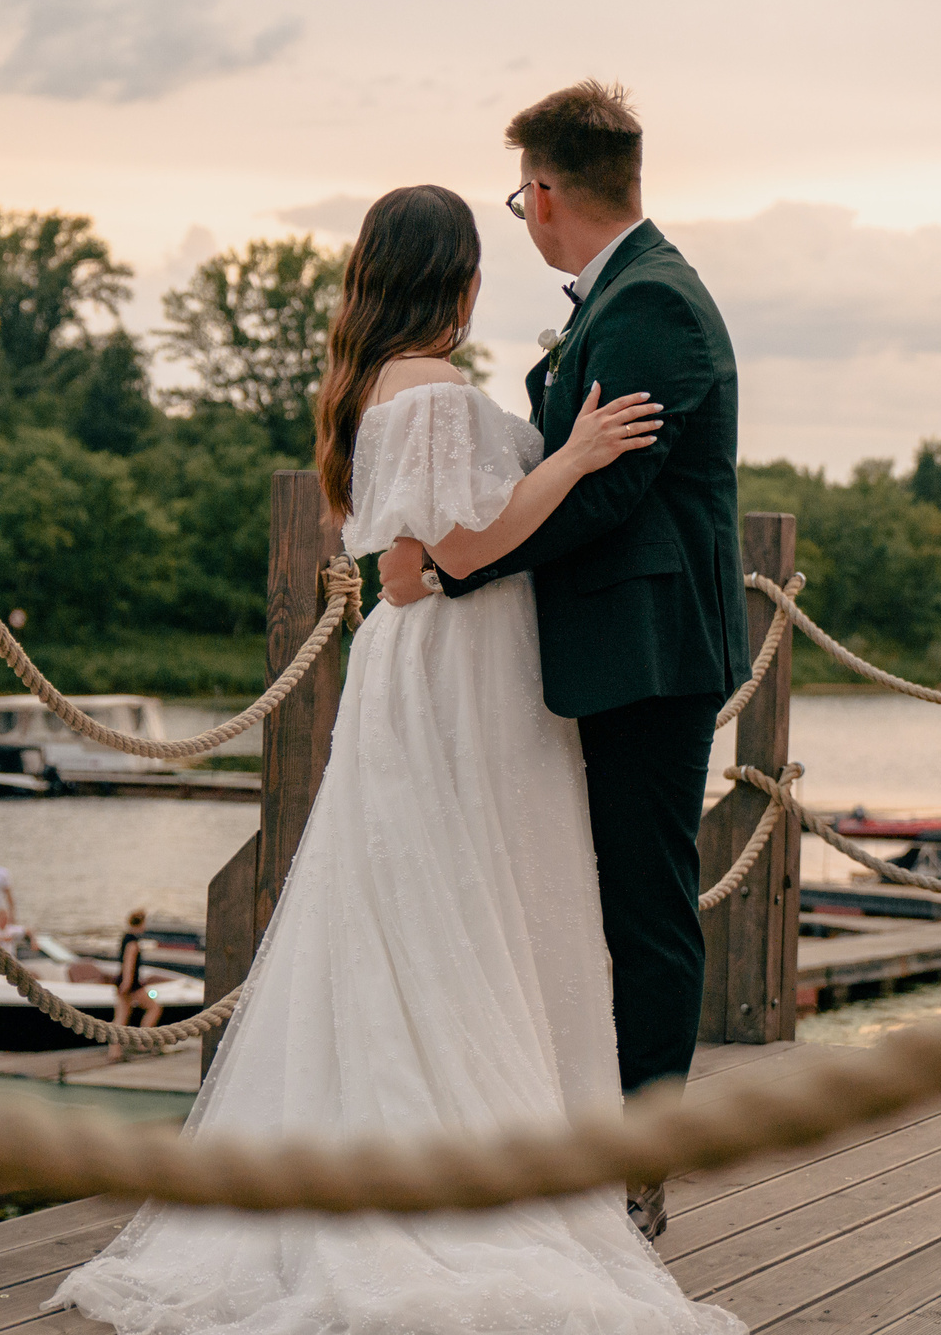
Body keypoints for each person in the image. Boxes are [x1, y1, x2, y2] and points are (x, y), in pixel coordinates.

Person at [49, 180, 741, 1335]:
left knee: (435, 918)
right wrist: (568, 459)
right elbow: (436, 562)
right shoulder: (425, 395)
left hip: (436, 676)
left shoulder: (378, 386)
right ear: (454, 280)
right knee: (470, 915)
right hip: (460, 676)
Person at [379, 80, 744, 1242]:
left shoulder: (654, 307)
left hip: (646, 654)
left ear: (542, 194)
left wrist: (455, 568)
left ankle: (640, 1168)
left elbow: (613, 492)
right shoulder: (629, 297)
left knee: (644, 906)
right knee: (596, 897)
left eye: (519, 191)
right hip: (608, 648)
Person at [105, 908, 164, 1062]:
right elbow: (129, 964)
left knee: (121, 1017)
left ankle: (114, 1051)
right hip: (131, 984)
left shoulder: (126, 938)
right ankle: (142, 1043)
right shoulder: (133, 943)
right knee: (154, 1008)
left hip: (125, 982)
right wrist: (127, 983)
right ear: (141, 924)